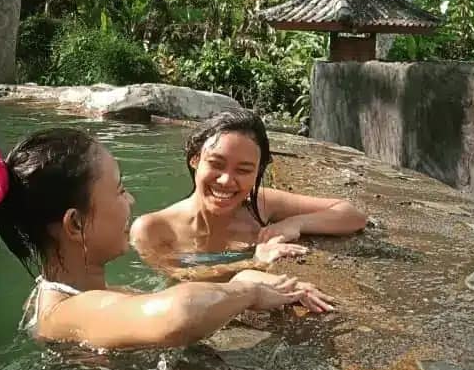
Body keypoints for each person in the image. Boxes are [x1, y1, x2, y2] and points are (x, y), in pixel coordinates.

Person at [0, 127, 334, 350]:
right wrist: (245, 288)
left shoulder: (70, 293)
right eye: (119, 191)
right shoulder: (66, 311)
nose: (131, 200)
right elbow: (180, 314)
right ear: (74, 225)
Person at [130, 110, 365, 306]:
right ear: (195, 160)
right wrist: (254, 263)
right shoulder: (152, 228)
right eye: (216, 164)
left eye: (243, 170)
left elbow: (352, 216)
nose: (226, 180)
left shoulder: (261, 206)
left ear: (258, 172)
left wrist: (295, 223)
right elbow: (181, 278)